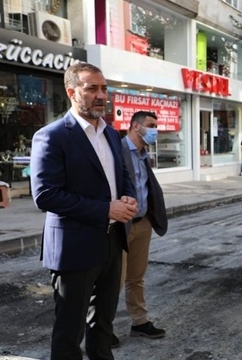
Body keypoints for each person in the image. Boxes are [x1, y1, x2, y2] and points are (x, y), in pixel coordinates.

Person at [30, 62, 138, 360]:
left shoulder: (112, 135)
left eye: (104, 88)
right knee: (69, 331)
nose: (101, 95)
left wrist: (128, 198)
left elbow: (122, 176)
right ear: (72, 92)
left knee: (103, 325)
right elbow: (46, 195)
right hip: (73, 248)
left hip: (112, 243)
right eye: (92, 88)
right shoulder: (52, 136)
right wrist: (107, 209)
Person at [114, 111, 169, 347]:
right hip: (119, 225)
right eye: (151, 125)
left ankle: (139, 322)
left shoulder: (144, 155)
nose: (155, 130)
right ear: (136, 127)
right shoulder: (116, 150)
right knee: (113, 280)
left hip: (142, 223)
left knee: (136, 278)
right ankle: (101, 327)